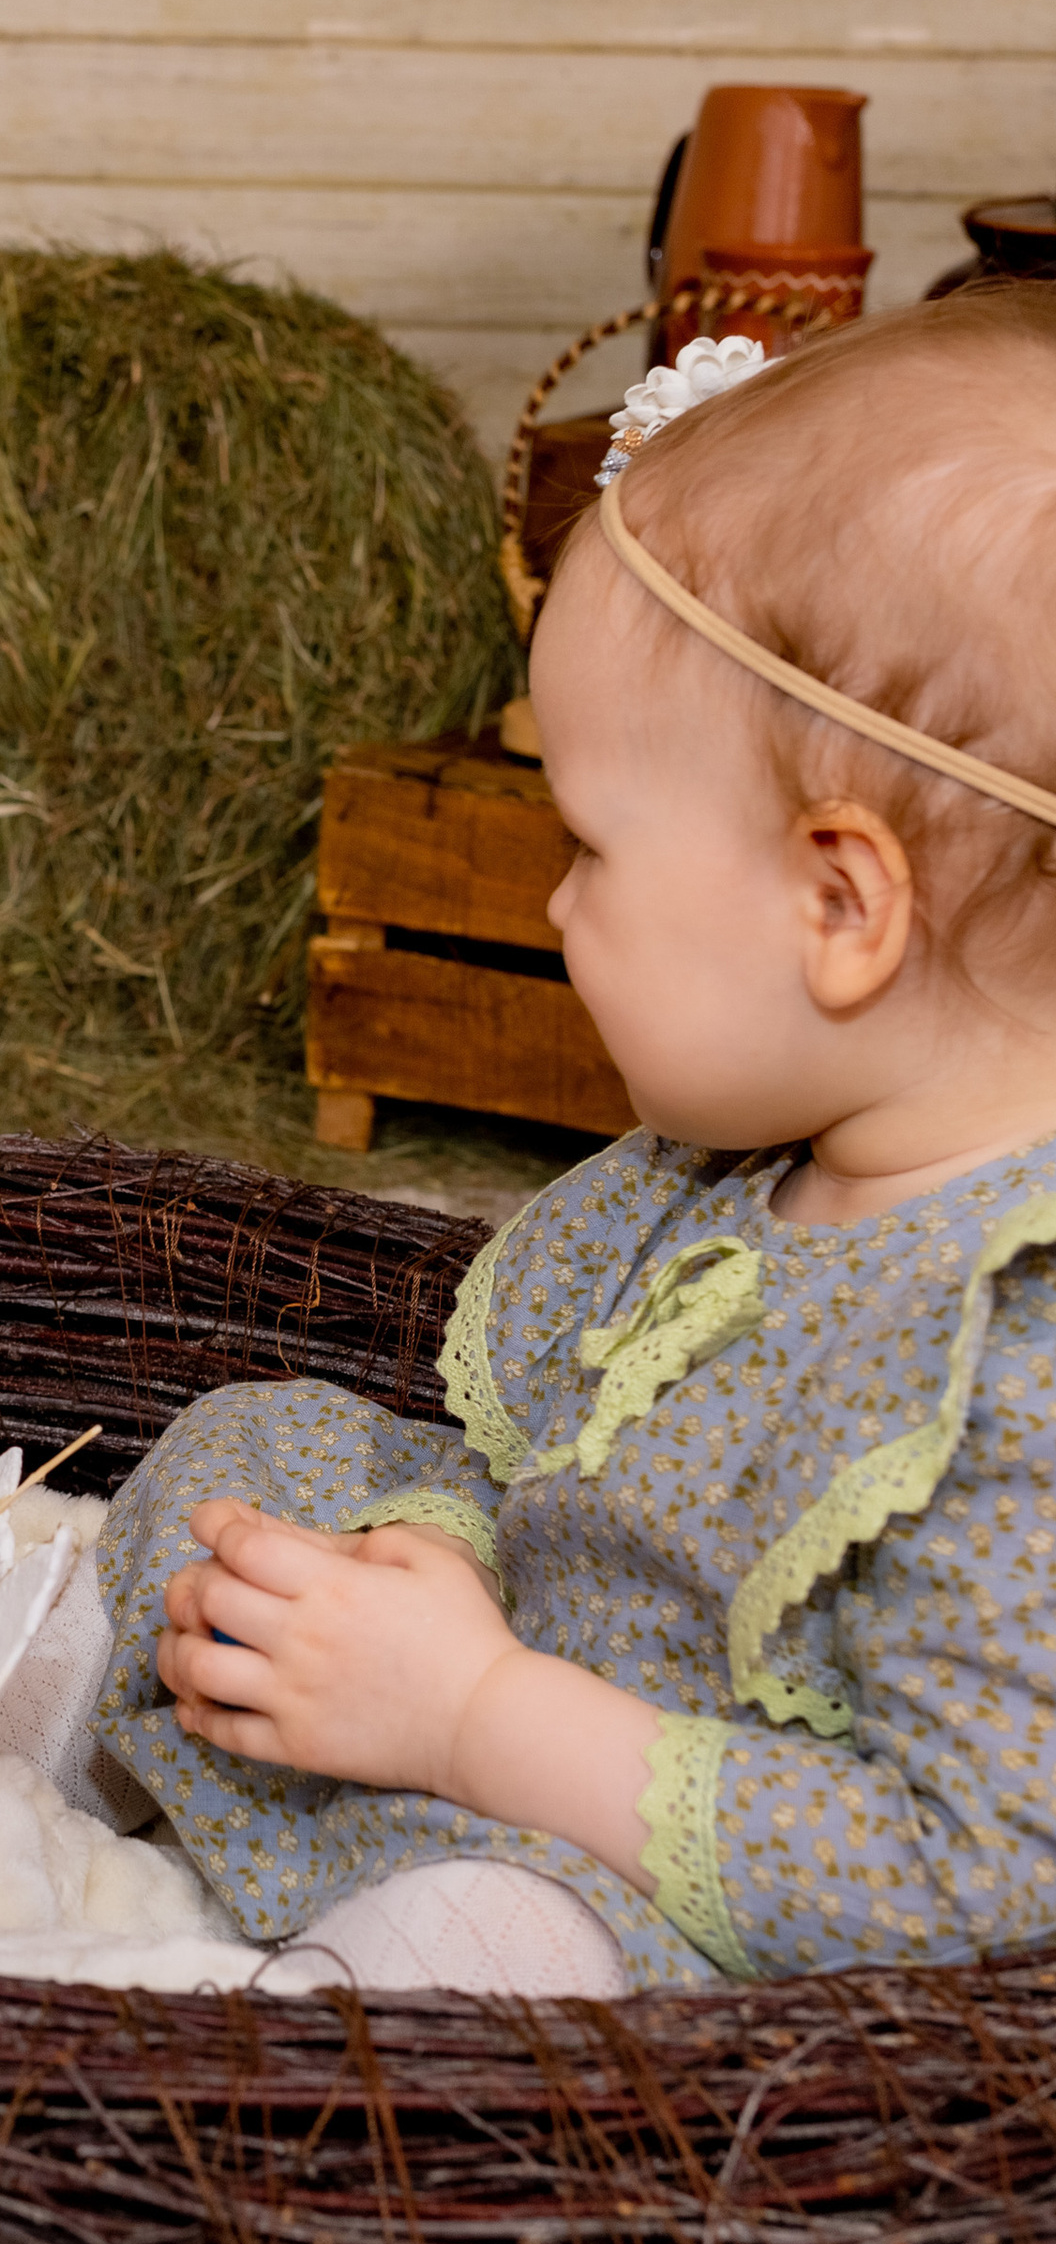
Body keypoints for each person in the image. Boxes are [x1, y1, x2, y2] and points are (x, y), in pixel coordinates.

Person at [98, 284, 1056, 1991]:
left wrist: (477, 1715)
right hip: (491, 1670)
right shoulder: (733, 1168)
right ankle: (97, 1718)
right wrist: (428, 1560)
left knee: (520, 1937)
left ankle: (335, 1994)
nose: (552, 905)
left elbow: (971, 1888)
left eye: (592, 847)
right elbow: (537, 1467)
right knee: (260, 1448)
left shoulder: (1011, 1348)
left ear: (842, 906)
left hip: (659, 1860)